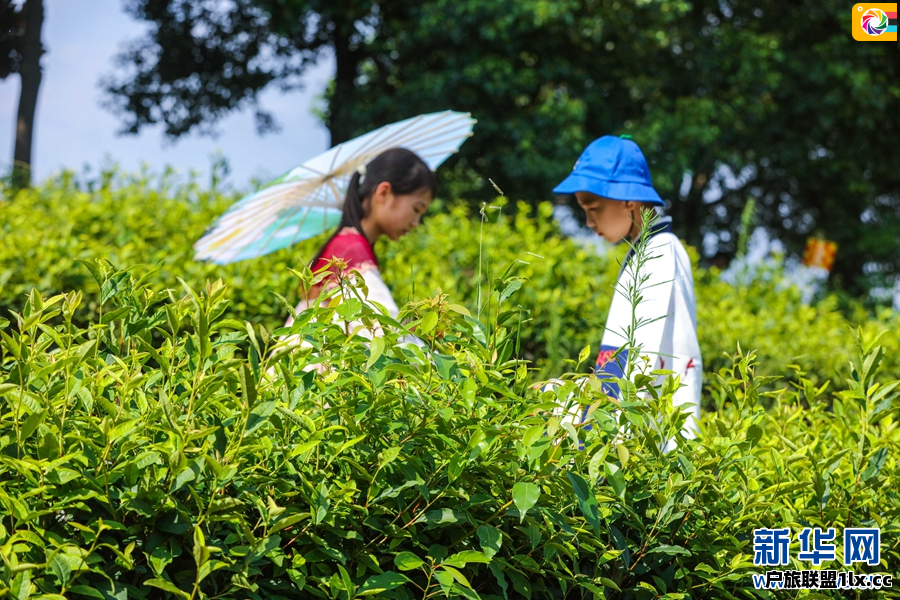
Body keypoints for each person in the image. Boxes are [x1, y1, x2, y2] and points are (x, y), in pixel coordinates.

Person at [552, 135, 702, 442]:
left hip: (648, 446)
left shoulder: (660, 252)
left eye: (593, 208)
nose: (589, 222)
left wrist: (591, 431)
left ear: (628, 201)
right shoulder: (644, 251)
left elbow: (636, 359)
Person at [283, 147, 435, 345]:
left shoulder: (345, 243)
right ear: (384, 193)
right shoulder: (350, 251)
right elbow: (385, 336)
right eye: (416, 209)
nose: (416, 222)